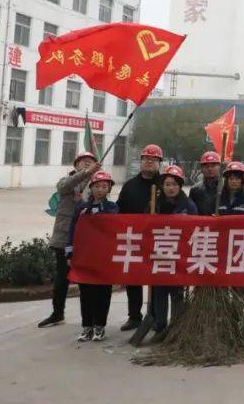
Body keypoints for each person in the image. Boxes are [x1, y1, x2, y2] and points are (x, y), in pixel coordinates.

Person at [39, 150, 100, 328]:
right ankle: (57, 313)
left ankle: (90, 317)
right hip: (64, 236)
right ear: (75, 165)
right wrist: (86, 173)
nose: (87, 163)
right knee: (62, 277)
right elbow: (63, 188)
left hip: (86, 238)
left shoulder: (96, 184)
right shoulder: (66, 181)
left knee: (86, 279)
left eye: (90, 161)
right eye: (83, 161)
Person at [146, 165, 197, 345]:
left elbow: (194, 230)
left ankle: (177, 327)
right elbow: (144, 229)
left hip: (179, 257)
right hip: (159, 255)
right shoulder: (155, 203)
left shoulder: (188, 205)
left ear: (180, 185)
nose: (170, 187)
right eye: (167, 184)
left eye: (174, 184)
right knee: (159, 292)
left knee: (177, 293)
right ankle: (160, 327)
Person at [116, 144, 163, 331]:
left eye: (154, 160)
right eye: (146, 159)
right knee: (133, 279)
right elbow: (118, 212)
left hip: (159, 240)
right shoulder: (129, 186)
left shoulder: (165, 184)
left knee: (157, 280)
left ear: (160, 163)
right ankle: (134, 316)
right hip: (134, 240)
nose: (149, 162)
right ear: (141, 162)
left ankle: (156, 316)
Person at [68, 169, 119, 342]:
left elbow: (114, 227)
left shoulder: (112, 208)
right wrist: (70, 251)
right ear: (92, 188)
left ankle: (100, 327)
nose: (100, 189)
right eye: (97, 186)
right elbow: (73, 230)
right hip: (85, 258)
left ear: (109, 189)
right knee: (86, 294)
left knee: (103, 294)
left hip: (104, 259)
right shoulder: (82, 208)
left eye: (104, 186)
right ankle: (86, 326)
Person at [189, 150, 222, 215]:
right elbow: (191, 212)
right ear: (201, 168)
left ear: (219, 167)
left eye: (213, 165)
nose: (210, 169)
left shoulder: (225, 188)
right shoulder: (195, 190)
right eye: (206, 166)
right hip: (201, 224)